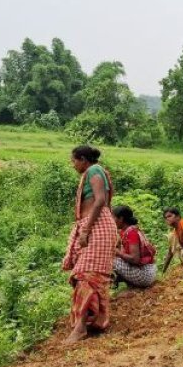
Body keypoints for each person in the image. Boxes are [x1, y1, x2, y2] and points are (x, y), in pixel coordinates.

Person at [61, 145, 116, 344]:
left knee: (87, 275)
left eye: (74, 160)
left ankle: (81, 328)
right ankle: (90, 321)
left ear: (83, 159)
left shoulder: (94, 170)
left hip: (98, 228)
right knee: (86, 274)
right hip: (95, 227)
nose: (73, 164)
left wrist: (86, 231)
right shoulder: (93, 171)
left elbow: (100, 200)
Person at [112, 205, 157, 288]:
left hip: (145, 274)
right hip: (147, 272)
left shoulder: (131, 232)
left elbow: (135, 259)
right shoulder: (125, 231)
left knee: (110, 260)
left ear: (121, 219)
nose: (112, 221)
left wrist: (117, 253)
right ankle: (130, 285)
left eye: (113, 218)